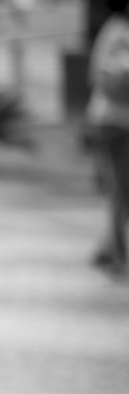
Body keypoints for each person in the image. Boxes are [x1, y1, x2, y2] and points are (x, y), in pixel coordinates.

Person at [87, 0, 129, 278]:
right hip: (115, 121)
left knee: (121, 189)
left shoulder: (113, 30)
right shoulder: (119, 31)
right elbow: (104, 76)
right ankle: (115, 255)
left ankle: (107, 250)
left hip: (112, 119)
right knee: (122, 189)